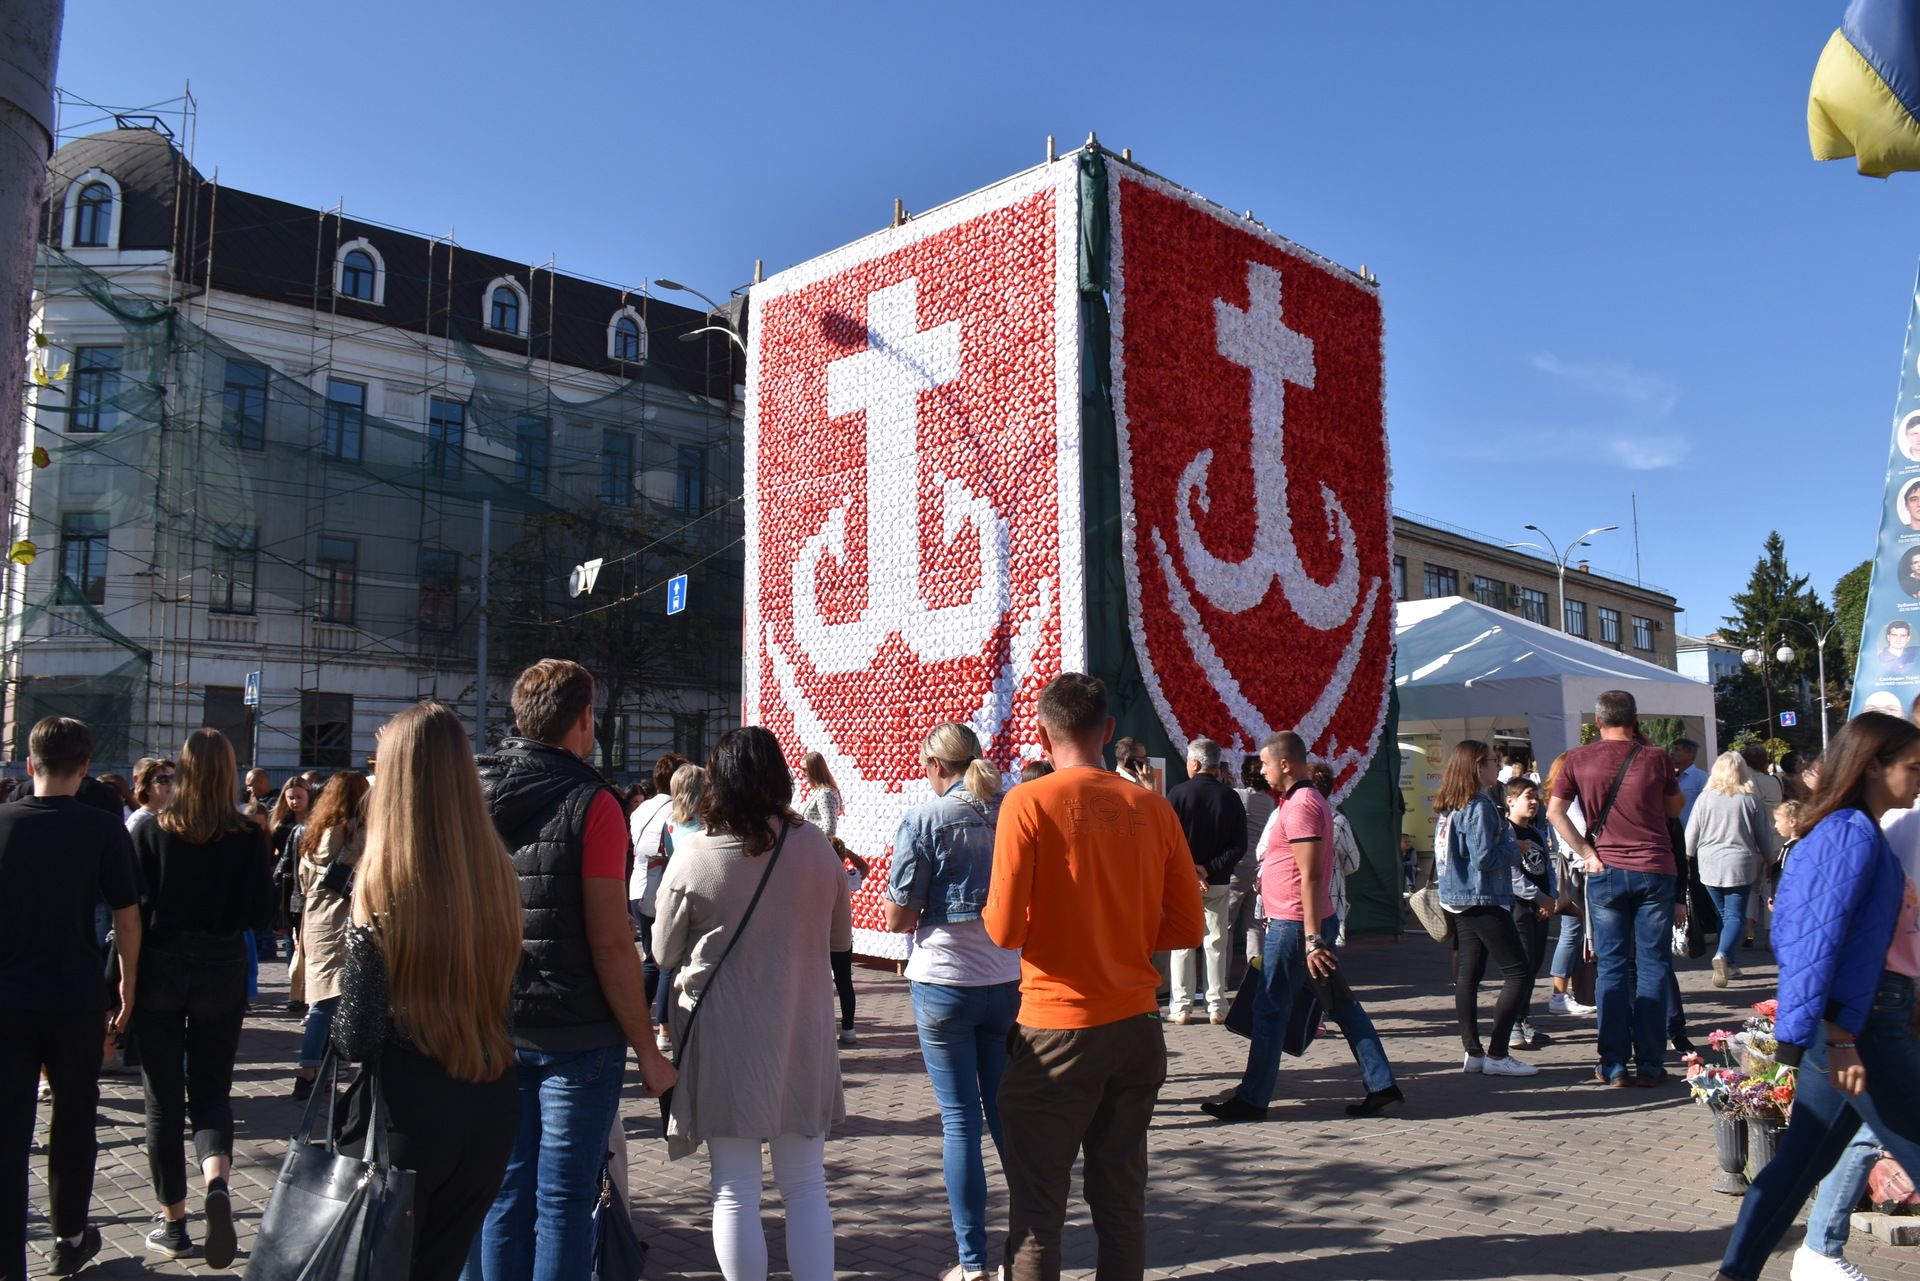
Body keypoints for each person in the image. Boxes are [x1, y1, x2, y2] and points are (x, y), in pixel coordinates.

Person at [986, 673, 1201, 1279]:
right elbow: (1185, 925)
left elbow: (1003, 932)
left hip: (1055, 1027)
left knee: (1036, 1212)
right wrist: (1122, 938)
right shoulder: (1153, 807)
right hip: (1135, 1024)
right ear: (1108, 731)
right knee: (1121, 1202)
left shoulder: (1027, 803)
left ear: (1040, 732)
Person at [467, 660, 677, 1281]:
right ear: (584, 719)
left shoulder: (470, 791)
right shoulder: (594, 802)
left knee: (503, 1195)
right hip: (577, 1030)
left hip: (493, 1020)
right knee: (564, 1202)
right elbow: (613, 941)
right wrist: (650, 1049)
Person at [1713, 711, 1920, 1281]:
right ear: (1873, 765)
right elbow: (1806, 942)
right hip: (1861, 1025)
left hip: (1862, 1021)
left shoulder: (1858, 830)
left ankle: (1734, 1274)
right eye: (1913, 767)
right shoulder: (1847, 832)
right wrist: (1837, 1035)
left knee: (1799, 1163)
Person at [331, 702, 522, 1281]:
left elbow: (355, 1037)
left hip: (408, 1115)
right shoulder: (497, 871)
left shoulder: (381, 879)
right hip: (489, 1104)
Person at [653, 727, 849, 1281]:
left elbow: (663, 952)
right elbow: (840, 939)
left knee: (735, 1188)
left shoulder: (696, 857)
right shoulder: (814, 846)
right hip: (802, 1028)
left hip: (724, 1032)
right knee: (806, 1183)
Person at [1, 717, 141, 1279]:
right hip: (76, 994)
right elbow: (128, 920)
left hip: (7, 996)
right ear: (84, 768)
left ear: (29, 764)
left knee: (8, 1129)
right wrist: (127, 985)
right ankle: (69, 1237)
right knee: (75, 1118)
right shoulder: (103, 828)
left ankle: (10, 1261)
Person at [128, 727, 273, 1266]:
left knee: (162, 1101)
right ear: (231, 772)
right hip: (221, 966)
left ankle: (174, 1222)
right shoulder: (246, 834)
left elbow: (132, 914)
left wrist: (120, 984)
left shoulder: (153, 831)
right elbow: (261, 916)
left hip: (162, 964)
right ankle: (217, 1182)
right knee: (211, 1091)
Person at [883, 722, 1022, 1281]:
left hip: (944, 980)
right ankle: (1031, 1247)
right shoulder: (1012, 810)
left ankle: (972, 1264)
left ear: (939, 766)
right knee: (1007, 1117)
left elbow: (899, 915)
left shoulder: (926, 817)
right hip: (1005, 979)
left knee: (961, 1123)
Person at [1207, 729, 1403, 1121]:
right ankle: (1381, 1085)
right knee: (1341, 1005)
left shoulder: (1300, 805)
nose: (1260, 771)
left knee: (1269, 1010)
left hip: (1295, 927)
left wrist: (1313, 939)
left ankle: (1252, 1099)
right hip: (1301, 924)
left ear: (1285, 763)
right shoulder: (1303, 800)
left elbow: (1310, 874)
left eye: (1264, 763)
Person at [1547, 690, 1684, 1088]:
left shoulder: (1576, 758)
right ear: (1635, 718)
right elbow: (1675, 809)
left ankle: (1613, 1063)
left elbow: (1555, 812)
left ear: (1598, 719)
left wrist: (1586, 851)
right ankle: (1652, 1064)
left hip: (1604, 869)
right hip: (1655, 869)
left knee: (1611, 967)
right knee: (1653, 966)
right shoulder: (1656, 757)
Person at [1431, 741, 1537, 1077]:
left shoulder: (1450, 805)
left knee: (1469, 973)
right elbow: (1485, 858)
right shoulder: (1477, 805)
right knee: (1519, 973)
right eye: (1493, 761)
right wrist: (1515, 847)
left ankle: (1474, 1052)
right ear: (1478, 766)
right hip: (1481, 897)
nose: (1499, 767)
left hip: (1458, 898)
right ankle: (1497, 1053)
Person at [290, 770, 369, 1098]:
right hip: (345, 922)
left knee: (321, 1000)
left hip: (315, 921)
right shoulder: (356, 832)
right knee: (346, 997)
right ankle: (331, 1065)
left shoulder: (312, 830)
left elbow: (301, 878)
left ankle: (308, 1070)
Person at [1163, 738, 1245, 1026]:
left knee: (1182, 945)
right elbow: (1239, 845)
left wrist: (1191, 872)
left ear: (1195, 763)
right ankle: (1216, 1005)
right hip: (1219, 881)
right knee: (1216, 943)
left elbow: (1168, 842)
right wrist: (1208, 870)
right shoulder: (1231, 797)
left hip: (1183, 883)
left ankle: (1182, 1007)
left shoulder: (1177, 794)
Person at [1686, 751, 1773, 989]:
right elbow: (1763, 835)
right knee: (1735, 915)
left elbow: (1691, 832)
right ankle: (1723, 955)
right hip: (1740, 862)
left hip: (1709, 862)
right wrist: (1770, 859)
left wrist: (1686, 858)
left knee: (1724, 914)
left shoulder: (1705, 798)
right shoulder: (1750, 799)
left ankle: (1731, 963)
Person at [799, 751, 859, 1045]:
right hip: (816, 855)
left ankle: (843, 1024)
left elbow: (829, 826)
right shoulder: (822, 792)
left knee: (836, 972)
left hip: (818, 855)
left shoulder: (824, 793)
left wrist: (807, 833)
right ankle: (842, 1025)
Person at [650, 763, 709, 1055]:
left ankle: (663, 1028)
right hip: (700, 892)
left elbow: (667, 854)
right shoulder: (706, 823)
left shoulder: (670, 821)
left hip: (671, 891)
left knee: (666, 964)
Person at [1501, 777, 1558, 1050]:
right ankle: (1511, 1024)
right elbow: (1512, 874)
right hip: (1519, 907)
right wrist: (1538, 897)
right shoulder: (1506, 832)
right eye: (1527, 796)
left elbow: (1548, 867)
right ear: (1510, 801)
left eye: (1536, 797)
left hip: (1541, 906)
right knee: (1521, 967)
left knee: (1534, 965)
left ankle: (1524, 1018)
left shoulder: (1535, 832)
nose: (1534, 802)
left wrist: (1552, 897)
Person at [627, 753, 685, 1011]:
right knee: (664, 960)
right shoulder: (677, 811)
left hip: (638, 887)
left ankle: (638, 1015)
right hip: (662, 887)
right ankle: (662, 1024)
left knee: (650, 956)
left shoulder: (642, 809)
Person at [1310, 763, 1365, 945]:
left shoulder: (1283, 814)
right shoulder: (1337, 821)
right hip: (1329, 901)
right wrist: (1334, 870)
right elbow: (1353, 862)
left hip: (1294, 907)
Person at [269, 775, 312, 1005]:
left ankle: (303, 990)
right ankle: (295, 989)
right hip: (289, 885)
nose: (295, 802)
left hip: (305, 885)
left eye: (299, 797)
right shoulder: (281, 825)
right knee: (291, 938)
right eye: (291, 798)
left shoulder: (317, 822)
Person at [1233, 758, 1278, 977]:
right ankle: (1254, 977)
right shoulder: (1269, 802)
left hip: (1237, 866)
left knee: (1225, 926)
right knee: (1254, 926)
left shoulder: (1240, 796)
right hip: (1259, 868)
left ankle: (1218, 980)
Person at [125, 756, 174, 838]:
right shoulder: (140, 820)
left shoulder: (169, 817)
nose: (171, 783)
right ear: (147, 788)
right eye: (163, 779)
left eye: (174, 778)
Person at [1671, 738, 1707, 827]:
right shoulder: (1672, 777)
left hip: (1691, 833)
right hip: (1673, 834)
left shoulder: (1701, 777)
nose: (1672, 753)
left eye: (1677, 750)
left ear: (1689, 754)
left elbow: (1707, 806)